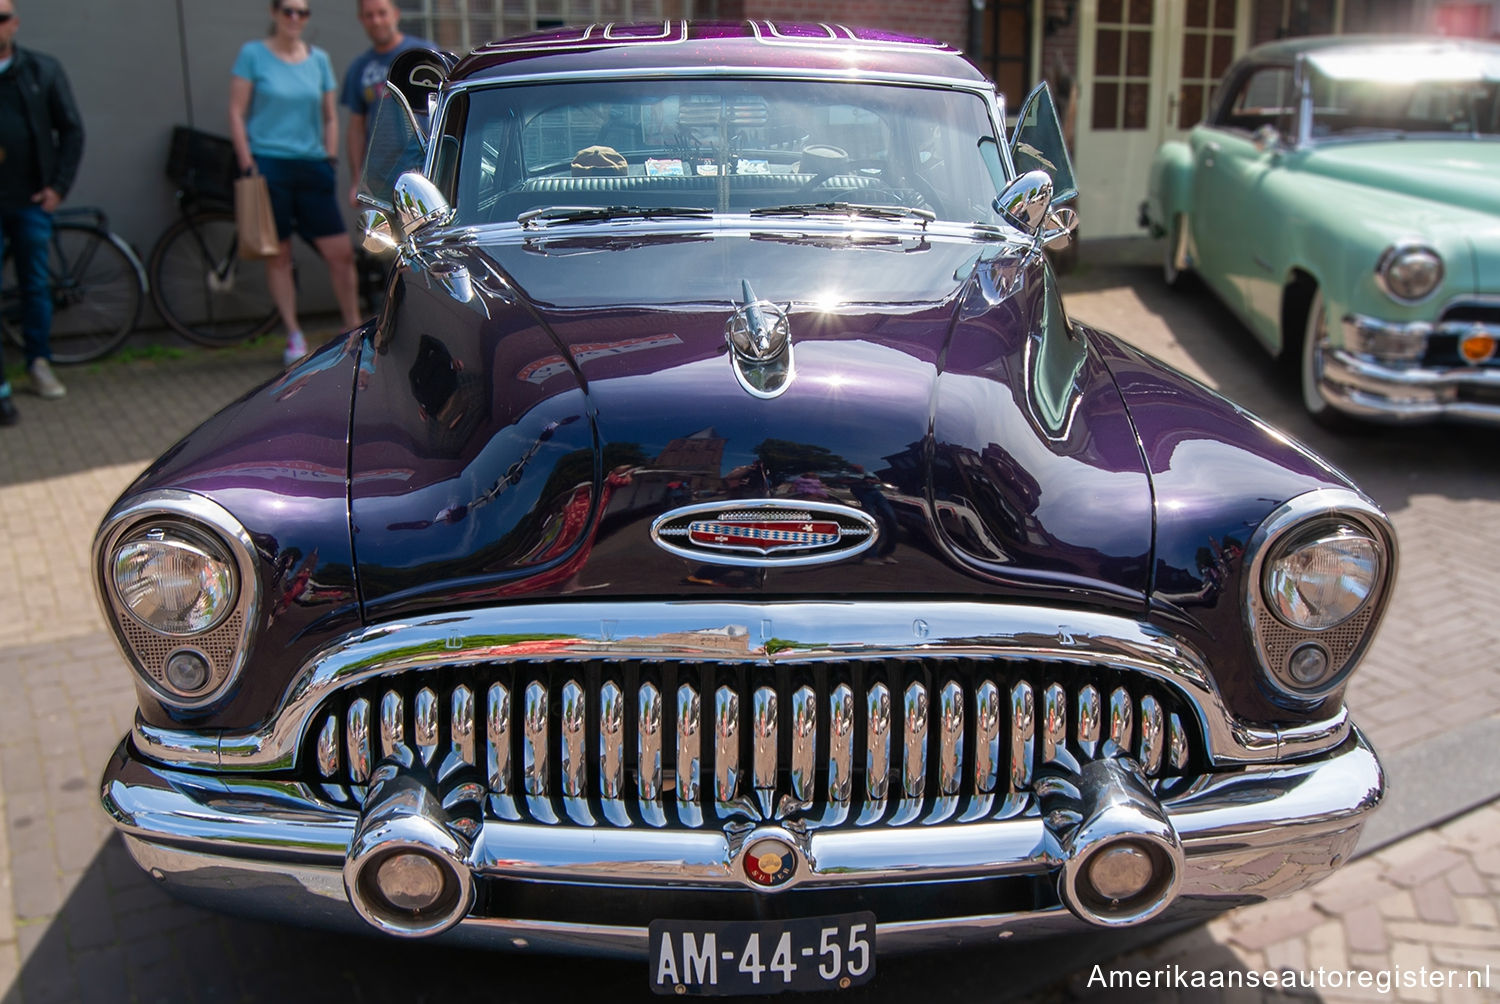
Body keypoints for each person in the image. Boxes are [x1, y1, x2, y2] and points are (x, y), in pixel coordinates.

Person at [229, 0, 361, 368]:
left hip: (312, 165)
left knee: (341, 253)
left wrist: (330, 158)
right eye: (287, 10)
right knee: (279, 255)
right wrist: (247, 163)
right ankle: (293, 334)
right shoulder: (253, 55)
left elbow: (330, 116)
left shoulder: (318, 59)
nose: (294, 18)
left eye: (301, 12)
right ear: (274, 13)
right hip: (269, 165)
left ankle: (352, 327)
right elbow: (237, 112)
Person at [0, 0, 84, 425]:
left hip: (30, 201)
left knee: (35, 286)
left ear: (13, 24)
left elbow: (71, 129)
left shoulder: (40, 71)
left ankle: (38, 362)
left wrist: (57, 188)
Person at [341, 0, 430, 208]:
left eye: (382, 13)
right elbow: (356, 128)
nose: (377, 21)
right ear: (361, 20)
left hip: (424, 173)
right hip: (380, 182)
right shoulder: (360, 67)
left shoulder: (421, 55)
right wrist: (357, 180)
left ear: (396, 14)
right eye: (369, 15)